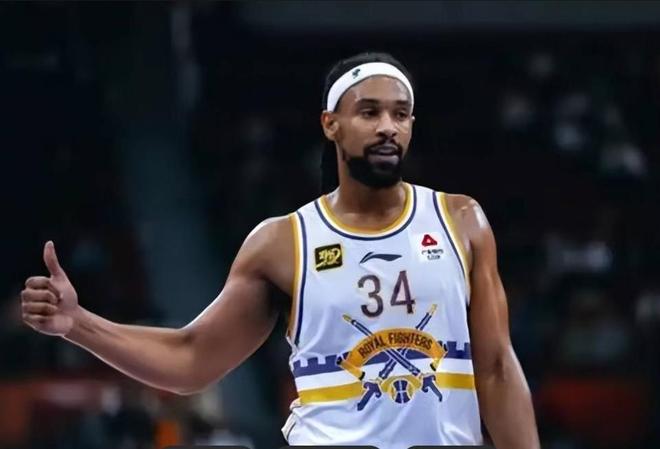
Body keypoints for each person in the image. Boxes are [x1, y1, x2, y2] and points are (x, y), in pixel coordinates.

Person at [21, 52, 540, 449]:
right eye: (369, 112)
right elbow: (192, 359)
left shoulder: (460, 220)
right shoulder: (284, 243)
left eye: (400, 114)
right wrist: (77, 324)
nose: (388, 126)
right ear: (331, 124)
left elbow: (496, 367)